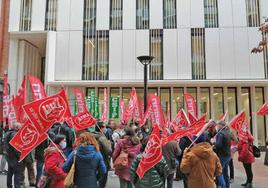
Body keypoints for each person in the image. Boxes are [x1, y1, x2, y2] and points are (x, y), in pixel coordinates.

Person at [91, 122, 112, 188]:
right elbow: (109, 150)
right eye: (104, 127)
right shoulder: (102, 137)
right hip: (102, 158)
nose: (105, 128)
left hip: (91, 158)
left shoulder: (90, 136)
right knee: (103, 176)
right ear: (101, 128)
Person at [214, 120, 232, 188]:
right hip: (228, 155)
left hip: (222, 155)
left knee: (219, 172)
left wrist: (213, 143)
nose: (217, 126)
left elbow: (218, 145)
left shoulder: (220, 133)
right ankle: (227, 186)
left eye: (218, 125)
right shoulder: (228, 132)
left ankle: (223, 186)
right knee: (225, 172)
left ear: (221, 125)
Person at [5, 122, 22, 188]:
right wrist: (19, 157)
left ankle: (9, 186)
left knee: (10, 173)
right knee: (17, 174)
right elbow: (16, 148)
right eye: (20, 127)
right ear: (17, 127)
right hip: (14, 157)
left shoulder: (7, 133)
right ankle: (17, 186)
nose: (20, 128)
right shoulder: (15, 134)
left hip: (9, 156)